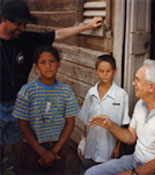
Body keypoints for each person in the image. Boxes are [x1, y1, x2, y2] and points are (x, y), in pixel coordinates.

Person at [0, 0, 102, 173]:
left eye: (25, 24)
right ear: (4, 19)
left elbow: (58, 34)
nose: (23, 28)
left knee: (19, 149)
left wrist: (87, 26)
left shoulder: (25, 39)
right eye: (18, 23)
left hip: (18, 105)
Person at [85, 59, 155, 175]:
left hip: (154, 170)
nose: (133, 83)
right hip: (134, 160)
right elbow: (131, 137)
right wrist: (110, 125)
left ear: (151, 87)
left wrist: (133, 173)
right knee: (92, 173)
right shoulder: (141, 104)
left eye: (137, 80)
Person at [12, 45, 80, 174]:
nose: (48, 66)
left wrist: (53, 152)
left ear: (59, 64)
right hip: (32, 146)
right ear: (37, 66)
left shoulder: (66, 91)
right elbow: (23, 125)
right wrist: (42, 152)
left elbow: (70, 124)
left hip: (58, 147)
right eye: (43, 62)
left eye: (52, 62)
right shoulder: (27, 91)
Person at [78, 54, 131, 174]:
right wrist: (84, 140)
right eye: (101, 71)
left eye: (108, 71)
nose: (105, 74)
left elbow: (124, 124)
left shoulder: (121, 95)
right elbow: (86, 119)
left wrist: (118, 147)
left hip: (109, 149)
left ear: (114, 71)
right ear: (96, 71)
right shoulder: (91, 93)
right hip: (90, 148)